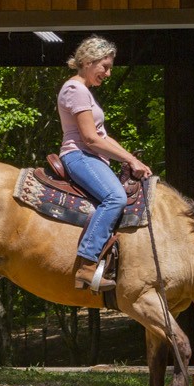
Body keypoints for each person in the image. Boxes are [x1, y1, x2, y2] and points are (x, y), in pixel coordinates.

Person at [57, 36, 153, 292]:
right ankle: (87, 266)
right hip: (78, 155)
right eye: (105, 67)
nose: (108, 74)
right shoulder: (75, 90)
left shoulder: (84, 91)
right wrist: (130, 160)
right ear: (88, 62)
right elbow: (89, 138)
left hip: (91, 157)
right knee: (115, 197)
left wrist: (133, 159)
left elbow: (102, 136)